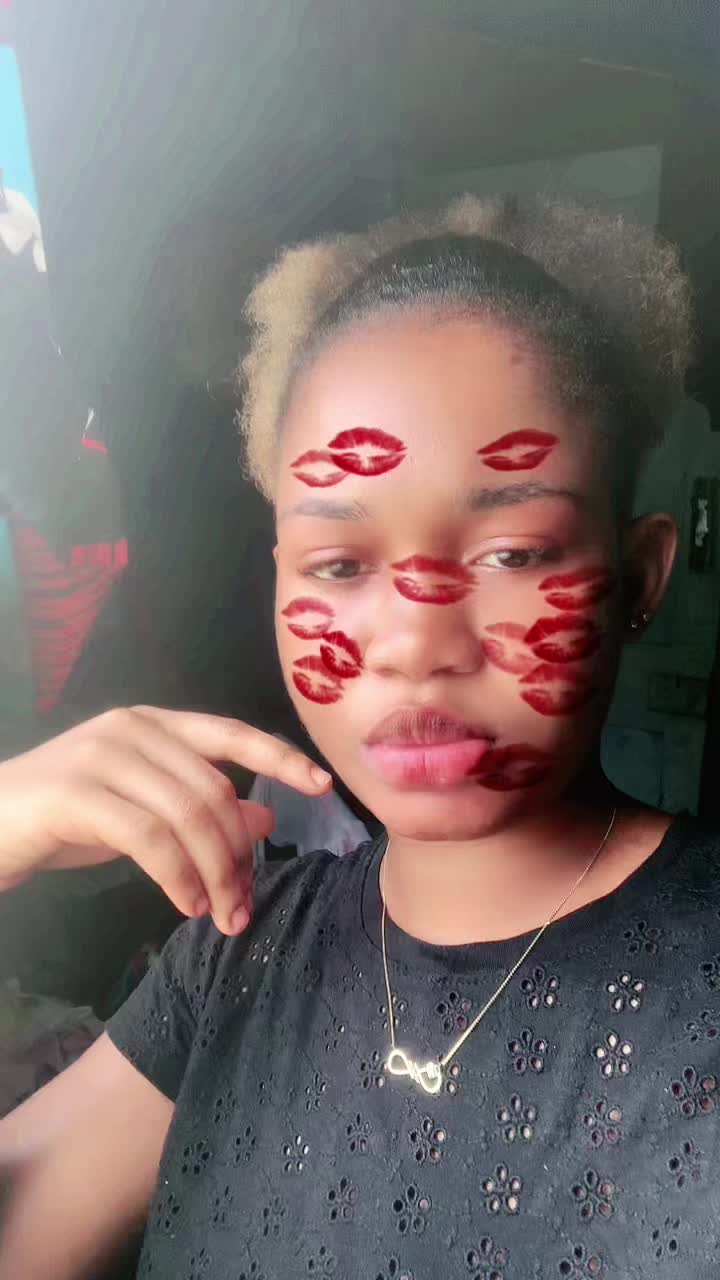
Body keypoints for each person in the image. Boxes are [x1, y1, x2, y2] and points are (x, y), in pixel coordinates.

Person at [0, 193, 713, 1279]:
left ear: (642, 576)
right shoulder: (237, 952)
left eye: (514, 553)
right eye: (338, 564)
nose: (418, 642)